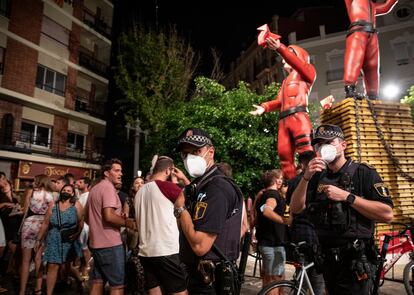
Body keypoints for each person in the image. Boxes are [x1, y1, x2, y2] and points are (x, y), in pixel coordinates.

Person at [290, 124, 393, 295]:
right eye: (320, 144)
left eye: (329, 142)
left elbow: (387, 214)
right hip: (327, 260)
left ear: (343, 145)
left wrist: (347, 197)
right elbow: (295, 208)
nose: (324, 147)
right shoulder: (317, 177)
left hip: (354, 260)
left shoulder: (363, 173)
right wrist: (306, 178)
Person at [174, 128, 243, 294]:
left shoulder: (216, 188)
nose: (189, 157)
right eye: (185, 153)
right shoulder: (199, 186)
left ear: (210, 152)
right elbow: (185, 229)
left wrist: (180, 209)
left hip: (210, 281)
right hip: (199, 276)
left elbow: (200, 245)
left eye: (196, 151)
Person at [250, 36, 315, 180]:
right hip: (283, 121)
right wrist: (264, 107)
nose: (284, 59)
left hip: (299, 117)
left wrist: (281, 48)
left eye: (291, 53)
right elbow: (280, 102)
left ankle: (312, 186)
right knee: (284, 157)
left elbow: (297, 63)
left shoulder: (307, 72)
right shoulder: (286, 81)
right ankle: (292, 188)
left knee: (307, 154)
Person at [135, 156, 189, 295]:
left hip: (145, 251)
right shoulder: (167, 187)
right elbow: (189, 199)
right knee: (180, 292)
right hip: (165, 251)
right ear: (168, 171)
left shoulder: (139, 192)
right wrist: (182, 179)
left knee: (154, 290)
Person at [85, 158, 136, 295]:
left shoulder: (95, 189)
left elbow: (86, 217)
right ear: (107, 173)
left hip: (96, 244)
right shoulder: (108, 188)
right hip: (110, 245)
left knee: (97, 282)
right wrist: (127, 223)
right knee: (117, 286)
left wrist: (98, 227)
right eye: (117, 170)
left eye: (121, 171)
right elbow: (108, 216)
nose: (121, 174)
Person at [286, 151, 325, 295]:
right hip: (314, 232)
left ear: (302, 164)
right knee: (317, 279)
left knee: (301, 273)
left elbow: (290, 208)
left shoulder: (293, 181)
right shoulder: (321, 178)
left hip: (298, 232)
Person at [343, 0, 398, 99]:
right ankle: (350, 88)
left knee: (372, 66)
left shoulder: (372, 5)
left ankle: (373, 94)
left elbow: (386, 7)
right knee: (355, 58)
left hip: (372, 33)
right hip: (358, 29)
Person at [37, 184, 84, 295]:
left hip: (68, 238)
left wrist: (77, 234)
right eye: (64, 190)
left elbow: (81, 222)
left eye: (69, 190)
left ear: (72, 193)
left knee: (65, 266)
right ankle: (49, 292)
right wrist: (39, 239)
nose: (66, 192)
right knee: (52, 265)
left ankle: (77, 280)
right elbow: (45, 223)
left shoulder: (76, 205)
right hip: (53, 237)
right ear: (60, 191)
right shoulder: (53, 204)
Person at [19, 174, 54, 295]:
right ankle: (38, 289)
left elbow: (24, 212)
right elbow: (49, 216)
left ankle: (22, 291)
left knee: (25, 261)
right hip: (42, 226)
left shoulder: (31, 192)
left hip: (29, 224)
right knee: (39, 259)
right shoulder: (51, 196)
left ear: (38, 181)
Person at [255, 170, 288, 292]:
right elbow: (267, 211)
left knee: (268, 277)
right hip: (274, 243)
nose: (281, 181)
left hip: (265, 241)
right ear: (274, 180)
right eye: (279, 178)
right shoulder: (273, 194)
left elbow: (255, 219)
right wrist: (284, 220)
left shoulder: (262, 195)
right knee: (275, 279)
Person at [124, 176, 146, 295]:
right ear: (133, 187)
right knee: (135, 263)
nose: (139, 185)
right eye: (137, 183)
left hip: (147, 234)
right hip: (135, 235)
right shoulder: (129, 200)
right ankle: (135, 289)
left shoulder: (148, 198)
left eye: (142, 182)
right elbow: (125, 216)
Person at [74, 176, 91, 280]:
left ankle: (85, 268)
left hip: (84, 226)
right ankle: (81, 269)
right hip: (80, 225)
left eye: (80, 182)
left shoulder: (87, 195)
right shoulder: (80, 196)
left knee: (83, 248)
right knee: (80, 247)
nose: (78, 183)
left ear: (86, 185)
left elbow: (84, 213)